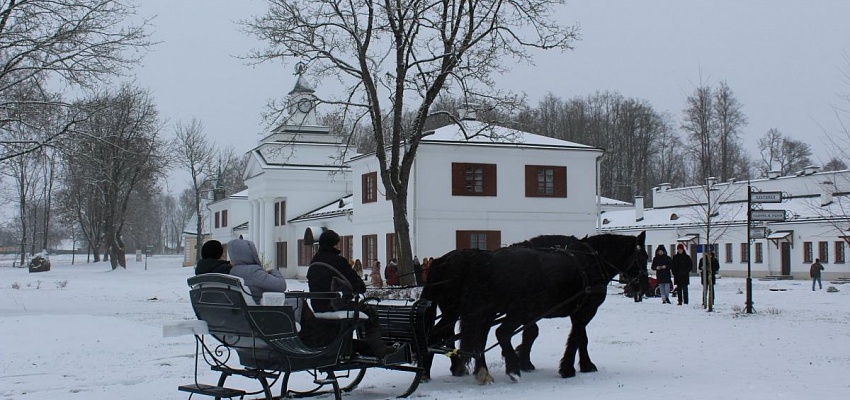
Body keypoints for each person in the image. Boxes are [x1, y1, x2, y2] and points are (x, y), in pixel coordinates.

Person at [308, 230, 402, 359]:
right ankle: (379, 349)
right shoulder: (338, 261)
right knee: (371, 314)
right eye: (338, 243)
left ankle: (353, 346)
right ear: (334, 244)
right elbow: (355, 283)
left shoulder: (314, 262)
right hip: (336, 306)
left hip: (318, 306)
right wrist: (359, 288)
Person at [227, 238, 287, 303]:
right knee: (297, 301)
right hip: (261, 309)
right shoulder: (253, 272)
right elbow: (280, 285)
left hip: (244, 309)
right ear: (250, 253)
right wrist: (273, 271)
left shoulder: (233, 271)